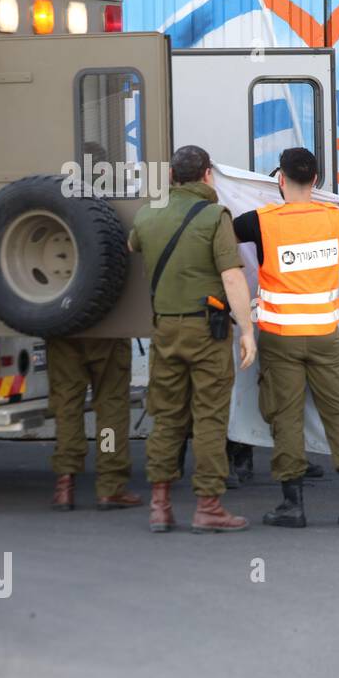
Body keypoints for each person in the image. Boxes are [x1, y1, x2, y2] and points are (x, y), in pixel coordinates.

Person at [232, 147, 339, 528]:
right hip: (325, 336)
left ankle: (293, 505)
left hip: (280, 337)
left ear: (280, 180)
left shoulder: (259, 221)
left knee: (285, 417)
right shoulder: (336, 219)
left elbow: (218, 238)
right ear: (316, 182)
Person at [127, 145, 257, 533]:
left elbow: (130, 246)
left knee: (166, 416)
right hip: (207, 331)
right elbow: (232, 276)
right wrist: (247, 329)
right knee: (209, 417)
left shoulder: (149, 213)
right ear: (206, 176)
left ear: (171, 177)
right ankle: (208, 506)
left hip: (164, 330)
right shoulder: (214, 216)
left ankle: (160, 505)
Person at [47, 337, 140, 511]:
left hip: (63, 328)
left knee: (67, 406)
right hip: (108, 332)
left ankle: (64, 485)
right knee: (110, 410)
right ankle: (109, 486)